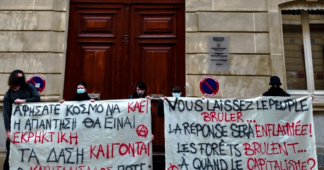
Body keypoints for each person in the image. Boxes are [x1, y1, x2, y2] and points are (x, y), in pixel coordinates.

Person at [3, 70, 41, 170]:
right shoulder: (8, 95)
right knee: (10, 152)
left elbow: (37, 98)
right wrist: (7, 131)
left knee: (30, 151)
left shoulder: (28, 87)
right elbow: (6, 113)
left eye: (20, 77)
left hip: (29, 128)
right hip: (15, 129)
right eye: (16, 77)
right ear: (12, 78)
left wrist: (23, 101)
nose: (18, 79)